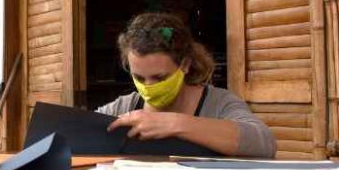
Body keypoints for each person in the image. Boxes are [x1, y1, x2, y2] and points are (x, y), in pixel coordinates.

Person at [100, 13, 276, 157]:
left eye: (160, 78)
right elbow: (79, 131)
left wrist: (173, 124)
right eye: (139, 78)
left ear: (185, 64)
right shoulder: (124, 107)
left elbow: (264, 143)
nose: (148, 86)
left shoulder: (219, 103)